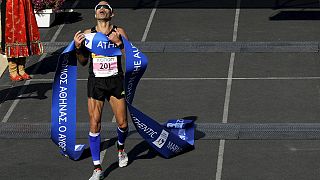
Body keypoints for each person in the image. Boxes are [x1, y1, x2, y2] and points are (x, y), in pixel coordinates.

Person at [73, 1, 129, 179]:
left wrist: (119, 43)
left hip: (115, 81)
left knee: (123, 123)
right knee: (94, 123)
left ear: (112, 14)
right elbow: (82, 62)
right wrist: (78, 48)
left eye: (105, 8)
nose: (102, 10)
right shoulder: (87, 34)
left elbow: (132, 57)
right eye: (99, 8)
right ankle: (97, 168)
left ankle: (120, 149)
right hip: (96, 82)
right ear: (95, 14)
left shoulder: (119, 32)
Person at [1, 0, 43, 81]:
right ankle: (13, 70)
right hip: (10, 5)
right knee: (11, 36)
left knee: (25, 35)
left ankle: (21, 69)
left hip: (24, 4)